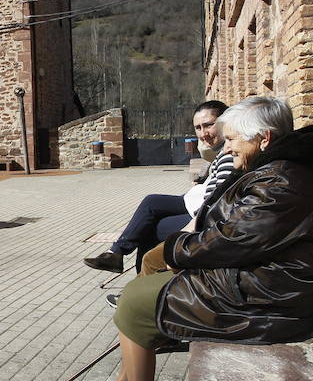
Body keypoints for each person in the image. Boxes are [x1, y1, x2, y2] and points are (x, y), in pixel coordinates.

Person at [85, 96, 313, 381]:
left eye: (234, 139)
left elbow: (232, 241)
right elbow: (237, 230)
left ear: (264, 138)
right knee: (145, 285)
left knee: (134, 301)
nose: (228, 145)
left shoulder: (282, 180)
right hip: (260, 285)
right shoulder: (279, 170)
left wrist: (178, 250)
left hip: (266, 301)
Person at [84, 101, 234, 273]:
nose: (203, 133)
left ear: (226, 122)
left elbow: (218, 201)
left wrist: (192, 225)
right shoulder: (224, 151)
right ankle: (116, 255)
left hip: (203, 217)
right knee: (151, 202)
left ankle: (139, 286)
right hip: (195, 202)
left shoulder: (228, 154)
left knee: (149, 229)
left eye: (208, 125)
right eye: (198, 128)